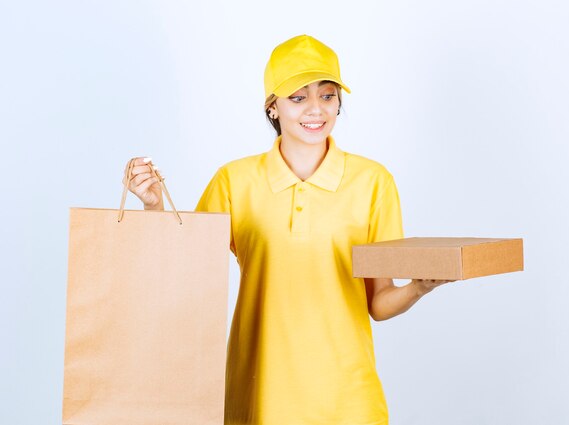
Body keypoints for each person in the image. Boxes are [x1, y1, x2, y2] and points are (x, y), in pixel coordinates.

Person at [125, 34, 452, 425]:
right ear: (273, 107)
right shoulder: (235, 181)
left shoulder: (372, 182)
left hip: (348, 398)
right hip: (261, 392)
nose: (316, 109)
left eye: (327, 96)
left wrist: (419, 286)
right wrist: (154, 205)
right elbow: (183, 274)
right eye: (298, 97)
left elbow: (378, 304)